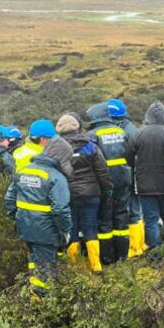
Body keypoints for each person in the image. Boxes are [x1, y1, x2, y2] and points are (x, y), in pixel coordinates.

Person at [4, 132, 73, 297]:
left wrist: (17, 218)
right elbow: (60, 209)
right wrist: (65, 231)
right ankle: (42, 304)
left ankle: (32, 291)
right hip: (46, 232)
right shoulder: (56, 177)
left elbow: (9, 198)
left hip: (25, 228)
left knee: (35, 261)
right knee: (47, 271)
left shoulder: (24, 171)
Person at [57, 114, 113, 273]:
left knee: (72, 229)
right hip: (91, 194)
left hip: (67, 195)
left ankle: (75, 268)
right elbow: (102, 171)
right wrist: (107, 189)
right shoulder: (90, 145)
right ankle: (96, 266)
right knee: (91, 228)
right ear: (77, 126)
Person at [125, 102, 164, 250]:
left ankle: (156, 252)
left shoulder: (138, 134)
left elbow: (128, 157)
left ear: (147, 116)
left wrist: (137, 168)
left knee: (150, 220)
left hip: (144, 185)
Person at [86, 103, 131, 264]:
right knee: (121, 215)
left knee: (105, 219)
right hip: (124, 179)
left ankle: (106, 257)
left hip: (105, 183)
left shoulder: (92, 135)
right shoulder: (121, 131)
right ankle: (123, 256)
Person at [108, 98, 145, 258]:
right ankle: (139, 245)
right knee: (135, 210)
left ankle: (135, 247)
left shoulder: (128, 131)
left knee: (133, 211)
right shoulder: (130, 128)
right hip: (132, 175)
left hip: (130, 176)